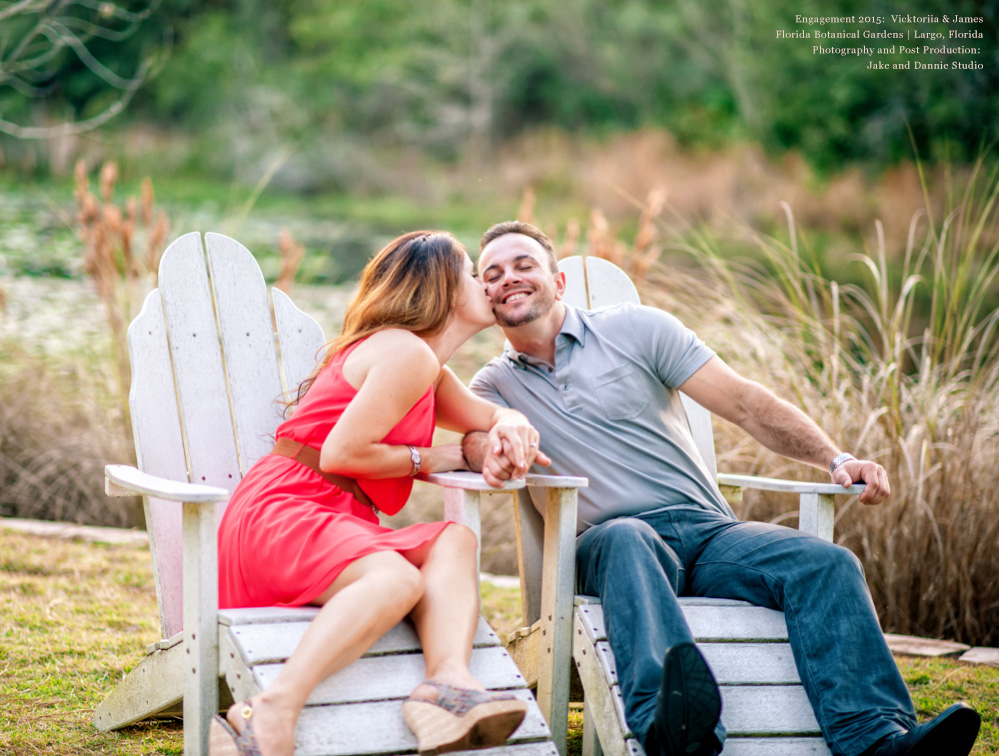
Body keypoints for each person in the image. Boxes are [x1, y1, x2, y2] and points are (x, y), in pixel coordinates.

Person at [462, 221, 982, 756]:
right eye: (493, 275)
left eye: (524, 265)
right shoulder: (492, 387)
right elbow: (472, 445)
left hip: (709, 534)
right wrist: (492, 450)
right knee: (629, 536)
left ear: (560, 281)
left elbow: (746, 404)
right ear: (483, 296)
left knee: (826, 563)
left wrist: (836, 457)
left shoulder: (638, 330)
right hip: (608, 546)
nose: (509, 280)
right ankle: (672, 732)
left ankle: (878, 740)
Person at [212, 231, 548, 756]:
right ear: (442, 288)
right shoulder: (404, 351)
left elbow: (485, 418)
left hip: (327, 515)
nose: (484, 282)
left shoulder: (426, 367)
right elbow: (340, 455)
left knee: (453, 540)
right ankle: (268, 711)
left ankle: (449, 687)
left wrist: (510, 423)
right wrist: (430, 459)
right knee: (396, 579)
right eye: (470, 272)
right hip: (283, 511)